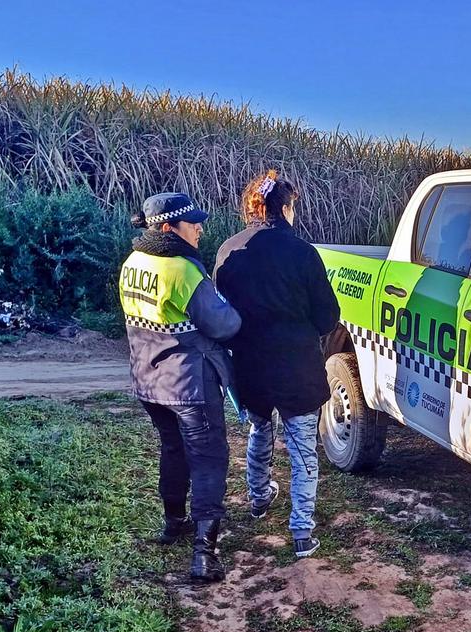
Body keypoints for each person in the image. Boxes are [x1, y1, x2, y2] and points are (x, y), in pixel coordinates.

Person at [214, 170, 340, 559]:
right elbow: (327, 316)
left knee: (259, 431)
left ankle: (258, 497)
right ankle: (302, 531)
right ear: (285, 208)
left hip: (250, 364)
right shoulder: (303, 253)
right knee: (303, 449)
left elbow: (221, 313)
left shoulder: (228, 251)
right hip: (297, 366)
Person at [120, 193, 241, 583]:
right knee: (208, 460)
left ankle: (174, 523)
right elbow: (224, 325)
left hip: (148, 381)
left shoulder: (133, 262)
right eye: (193, 224)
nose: (200, 229)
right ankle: (204, 555)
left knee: (173, 449)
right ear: (169, 228)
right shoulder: (182, 271)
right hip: (190, 383)